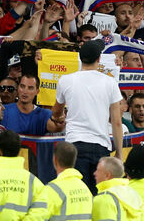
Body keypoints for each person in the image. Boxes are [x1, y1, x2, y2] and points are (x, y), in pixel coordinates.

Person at [52, 40, 125, 193]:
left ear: (79, 58)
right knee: (100, 196)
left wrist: (59, 117)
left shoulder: (65, 80)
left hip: (75, 147)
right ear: (99, 59)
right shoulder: (110, 82)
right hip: (101, 147)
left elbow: (56, 112)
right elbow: (117, 122)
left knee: (78, 196)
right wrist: (119, 153)